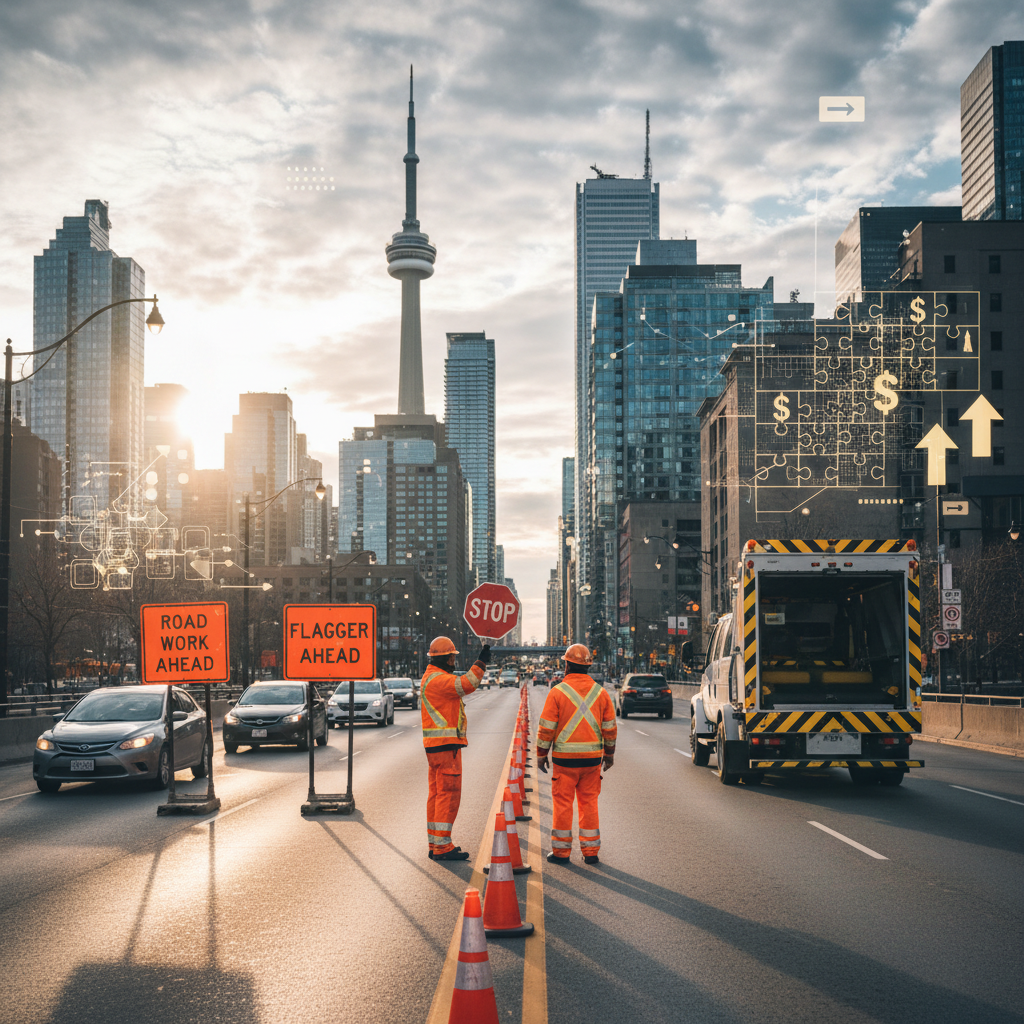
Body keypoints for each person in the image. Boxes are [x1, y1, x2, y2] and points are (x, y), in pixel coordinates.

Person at [536, 643, 616, 865]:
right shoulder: (601, 693)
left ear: (567, 665)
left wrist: (541, 754)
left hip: (565, 762)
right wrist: (609, 755)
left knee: (563, 804)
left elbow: (546, 728)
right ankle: (591, 853)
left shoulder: (557, 692)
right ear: (588, 666)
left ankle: (561, 853)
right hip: (592, 761)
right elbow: (610, 728)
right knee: (589, 803)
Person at [421, 636, 491, 861]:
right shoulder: (439, 680)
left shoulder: (431, 677)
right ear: (445, 657)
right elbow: (468, 684)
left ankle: (435, 842)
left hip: (437, 747)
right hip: (445, 746)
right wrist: (481, 661)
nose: (454, 660)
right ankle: (442, 846)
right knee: (448, 795)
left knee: (436, 794)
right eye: (452, 657)